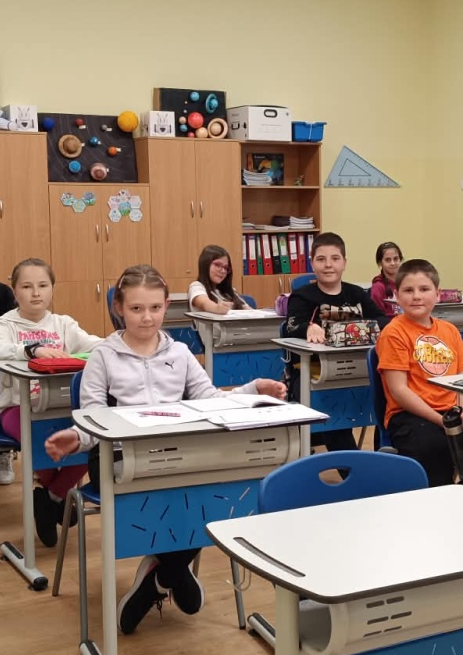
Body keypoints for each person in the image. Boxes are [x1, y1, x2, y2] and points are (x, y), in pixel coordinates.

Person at [44, 265, 286, 634]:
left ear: (166, 308)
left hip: (178, 456)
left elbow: (208, 400)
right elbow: (93, 417)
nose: (147, 317)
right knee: (188, 498)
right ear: (119, 308)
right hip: (121, 460)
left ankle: (161, 577)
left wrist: (252, 389)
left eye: (155, 308)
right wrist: (77, 438)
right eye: (137, 308)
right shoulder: (103, 357)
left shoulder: (181, 352)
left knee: (215, 497)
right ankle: (172, 571)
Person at [0, 258, 104, 542]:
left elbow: (93, 343)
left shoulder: (63, 324)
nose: (36, 293)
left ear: (52, 289)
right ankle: (60, 497)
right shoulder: (2, 324)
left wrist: (121, 343)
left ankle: (50, 497)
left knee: (93, 439)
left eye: (43, 285)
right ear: (14, 291)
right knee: (40, 442)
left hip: (60, 407)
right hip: (17, 408)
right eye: (27, 286)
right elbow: (0, 349)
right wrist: (33, 350)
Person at [376, 259, 463, 486]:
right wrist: (441, 421)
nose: (416, 296)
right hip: (411, 415)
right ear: (397, 296)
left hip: (452, 411)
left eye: (424, 289)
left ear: (437, 295)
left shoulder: (449, 330)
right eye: (408, 290)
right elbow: (399, 390)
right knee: (435, 446)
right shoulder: (394, 333)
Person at [284, 233, 384, 453]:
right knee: (335, 413)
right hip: (318, 375)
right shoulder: (302, 296)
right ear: (312, 263)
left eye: (335, 258)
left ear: (344, 263)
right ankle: (356, 470)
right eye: (321, 259)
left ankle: (382, 457)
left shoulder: (357, 294)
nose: (328, 265)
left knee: (386, 403)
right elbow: (291, 325)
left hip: (359, 371)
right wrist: (308, 328)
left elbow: (382, 320)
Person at [186, 245, 247, 315]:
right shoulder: (196, 286)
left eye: (226, 268)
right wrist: (216, 308)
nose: (223, 271)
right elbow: (204, 303)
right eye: (217, 265)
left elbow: (248, 310)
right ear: (205, 265)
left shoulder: (230, 290)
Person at [369, 242, 404, 318]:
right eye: (388, 260)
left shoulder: (406, 283)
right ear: (380, 263)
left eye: (396, 259)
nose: (393, 263)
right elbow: (378, 317)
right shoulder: (378, 287)